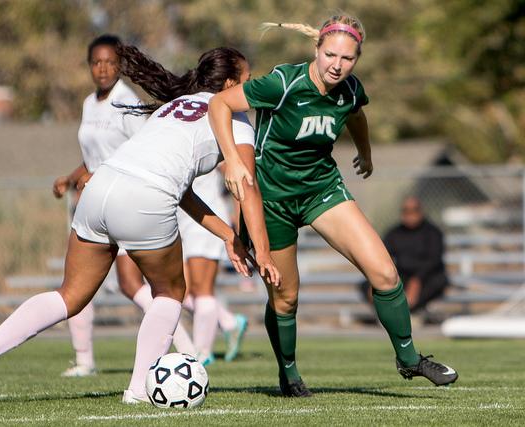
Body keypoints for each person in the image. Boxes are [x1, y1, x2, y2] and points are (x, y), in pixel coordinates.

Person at [0, 45, 280, 405]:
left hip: (101, 188)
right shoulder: (236, 120)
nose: (252, 88)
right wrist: (262, 252)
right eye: (248, 81)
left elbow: (183, 191)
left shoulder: (174, 107)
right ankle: (138, 390)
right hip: (144, 198)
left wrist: (229, 236)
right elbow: (247, 186)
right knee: (170, 293)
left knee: (70, 296)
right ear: (231, 83)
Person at [208, 15, 458, 397]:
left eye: (347, 58)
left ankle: (409, 359)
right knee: (286, 296)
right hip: (272, 200)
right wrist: (234, 160)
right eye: (330, 55)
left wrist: (366, 153)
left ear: (357, 59)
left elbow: (357, 115)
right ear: (316, 49)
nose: (337, 65)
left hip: (321, 190)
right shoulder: (284, 81)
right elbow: (219, 105)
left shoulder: (350, 89)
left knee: (386, 275)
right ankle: (289, 374)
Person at [51, 34, 196, 377]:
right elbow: (95, 155)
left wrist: (98, 176)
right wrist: (71, 178)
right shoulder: (90, 103)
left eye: (110, 62)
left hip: (126, 200)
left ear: (120, 66)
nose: (103, 69)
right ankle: (84, 359)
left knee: (133, 284)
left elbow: (141, 150)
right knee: (77, 284)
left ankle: (186, 348)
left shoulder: (126, 101)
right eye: (96, 62)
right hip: (95, 201)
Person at [178, 168, 249, 365]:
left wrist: (239, 218)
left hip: (207, 219)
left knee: (202, 290)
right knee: (179, 291)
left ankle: (202, 353)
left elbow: (234, 176)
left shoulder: (211, 137)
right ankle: (229, 322)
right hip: (180, 219)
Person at [360, 196, 450, 317]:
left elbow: (434, 260)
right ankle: (387, 315)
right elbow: (385, 256)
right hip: (401, 275)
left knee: (438, 282)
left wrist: (417, 279)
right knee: (368, 284)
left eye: (414, 210)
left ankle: (411, 314)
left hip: (427, 276)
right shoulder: (394, 233)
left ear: (420, 211)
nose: (410, 215)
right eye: (406, 211)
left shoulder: (432, 233)